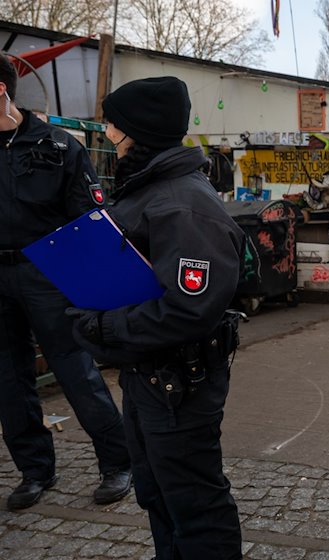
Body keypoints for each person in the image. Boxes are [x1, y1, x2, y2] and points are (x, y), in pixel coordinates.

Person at [67, 76, 245, 559]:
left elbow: (188, 307)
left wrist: (104, 327)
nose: (108, 136)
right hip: (151, 378)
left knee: (195, 507)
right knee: (159, 496)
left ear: (139, 132)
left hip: (179, 384)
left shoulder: (183, 205)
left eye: (114, 127)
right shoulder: (153, 190)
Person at [0, 55, 132, 510]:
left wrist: (107, 292)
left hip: (48, 272)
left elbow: (89, 218)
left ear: (0, 91)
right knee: (8, 380)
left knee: (75, 369)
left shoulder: (57, 147)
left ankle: (118, 462)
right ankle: (35, 471)